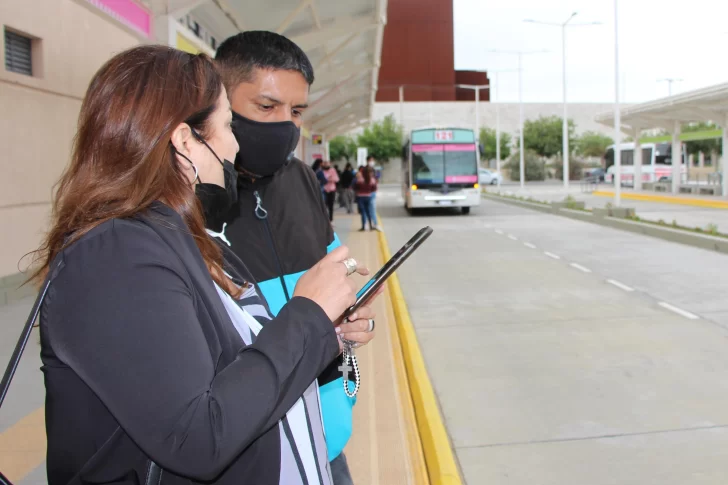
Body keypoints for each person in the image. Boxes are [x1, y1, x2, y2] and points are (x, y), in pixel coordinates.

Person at [34, 45, 378, 485]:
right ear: (184, 140)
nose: (235, 144)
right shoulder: (117, 256)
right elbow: (198, 436)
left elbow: (228, 367)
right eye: (227, 126)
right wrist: (306, 316)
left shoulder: (173, 237)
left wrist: (325, 330)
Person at [215, 31, 368, 483]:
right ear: (219, 103)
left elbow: (337, 267)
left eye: (296, 111)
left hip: (326, 444)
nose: (285, 125)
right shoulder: (192, 200)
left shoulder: (301, 179)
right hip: (248, 456)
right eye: (266, 107)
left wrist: (352, 311)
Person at [355, 166, 379, 231]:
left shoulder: (360, 179)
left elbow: (356, 187)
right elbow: (374, 188)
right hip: (368, 196)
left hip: (361, 197)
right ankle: (371, 226)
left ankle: (363, 226)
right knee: (368, 211)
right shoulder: (372, 179)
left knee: (363, 212)